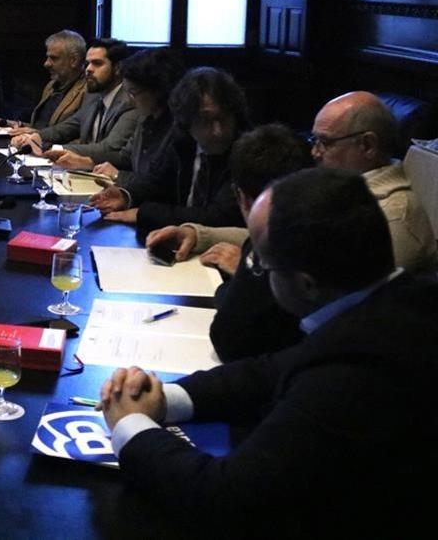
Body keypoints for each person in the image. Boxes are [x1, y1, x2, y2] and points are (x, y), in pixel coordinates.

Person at [99, 168, 438, 534]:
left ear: (306, 284)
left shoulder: (356, 374)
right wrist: (164, 398)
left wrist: (131, 425)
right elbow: (268, 370)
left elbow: (225, 500)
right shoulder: (399, 302)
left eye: (261, 263)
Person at [145, 124, 314, 362]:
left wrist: (231, 287)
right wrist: (197, 233)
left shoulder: (270, 251)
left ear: (241, 197)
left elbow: (228, 339)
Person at [88, 67, 246, 237]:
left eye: (224, 118)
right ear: (187, 119)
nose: (218, 131)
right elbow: (157, 181)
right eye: (205, 120)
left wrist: (145, 213)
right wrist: (126, 195)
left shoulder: (246, 152)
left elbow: (218, 217)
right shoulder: (183, 141)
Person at [308, 91, 437, 271]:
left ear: (367, 145)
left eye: (324, 142)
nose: (315, 152)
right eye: (314, 140)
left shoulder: (392, 221)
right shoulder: (346, 191)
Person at [54, 48, 184, 185]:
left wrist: (118, 176)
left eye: (133, 93)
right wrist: (87, 162)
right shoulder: (146, 119)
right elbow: (125, 157)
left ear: (157, 91)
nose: (129, 99)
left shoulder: (177, 130)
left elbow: (160, 186)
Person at [10, 38, 136, 162]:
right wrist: (37, 137)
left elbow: (108, 149)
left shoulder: (130, 101)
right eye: (87, 63)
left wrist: (50, 148)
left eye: (97, 63)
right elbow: (68, 127)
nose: (88, 69)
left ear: (118, 68)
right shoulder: (93, 96)